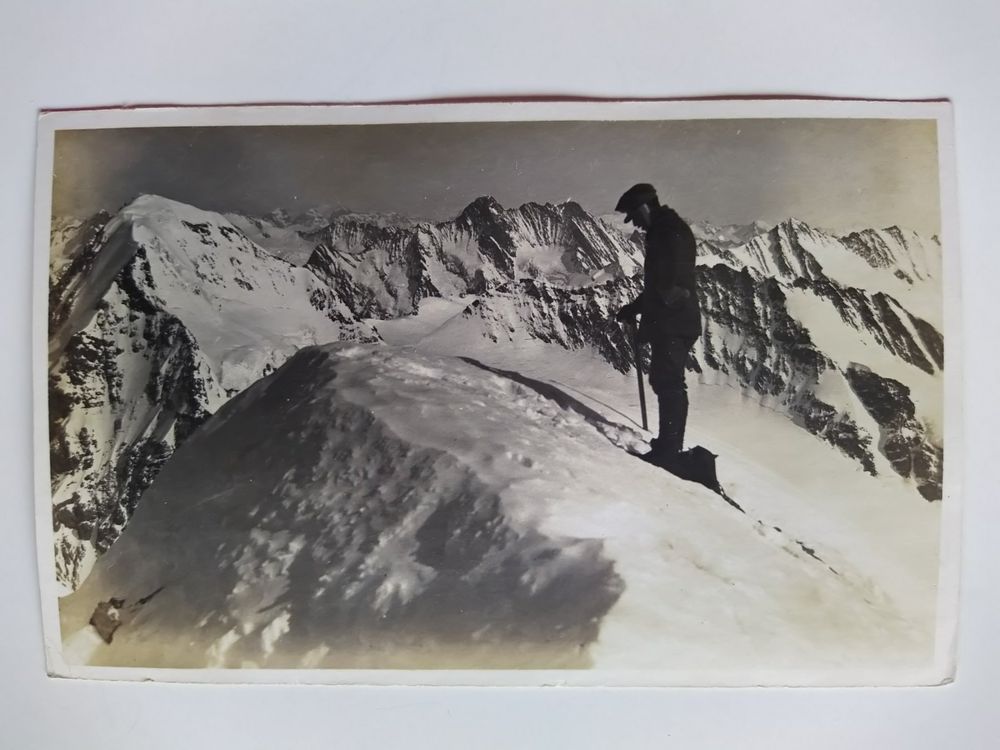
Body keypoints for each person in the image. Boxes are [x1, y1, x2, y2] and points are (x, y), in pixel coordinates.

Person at [614, 183, 702, 467]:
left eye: (634, 216)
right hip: (674, 321)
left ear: (644, 208)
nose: (635, 224)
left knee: (669, 381)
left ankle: (669, 450)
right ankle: (668, 444)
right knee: (665, 380)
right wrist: (636, 309)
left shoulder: (668, 233)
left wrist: (652, 314)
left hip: (674, 323)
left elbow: (671, 287)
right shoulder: (665, 230)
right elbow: (661, 286)